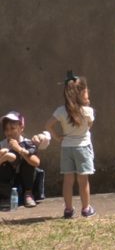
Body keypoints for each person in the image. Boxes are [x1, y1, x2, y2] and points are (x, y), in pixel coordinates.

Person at [43, 72, 96, 218]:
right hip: (83, 148)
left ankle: (68, 209)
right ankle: (86, 208)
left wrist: (57, 137)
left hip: (66, 148)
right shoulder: (88, 111)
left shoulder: (60, 111)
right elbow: (89, 126)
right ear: (82, 93)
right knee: (83, 181)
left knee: (68, 181)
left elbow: (48, 125)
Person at [0, 111, 41, 208]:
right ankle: (5, 197)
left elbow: (36, 162)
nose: (9, 132)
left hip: (25, 180)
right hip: (8, 181)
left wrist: (19, 149)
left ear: (21, 128)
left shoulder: (28, 143)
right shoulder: (2, 144)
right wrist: (4, 157)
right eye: (6, 129)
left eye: (12, 128)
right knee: (5, 164)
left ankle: (28, 194)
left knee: (28, 161)